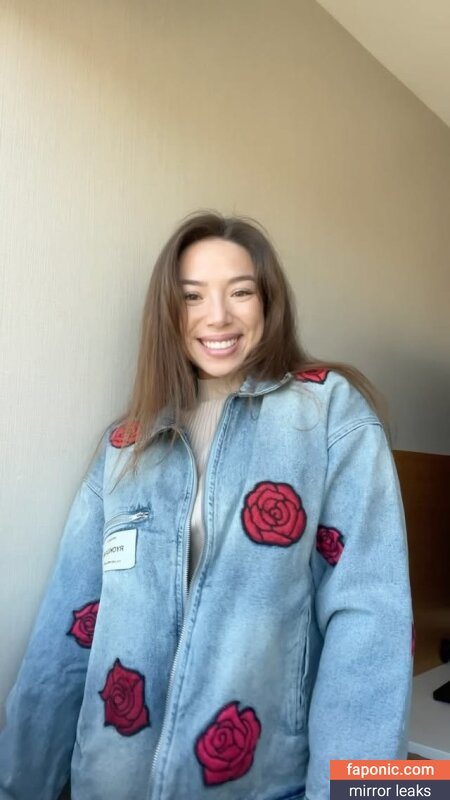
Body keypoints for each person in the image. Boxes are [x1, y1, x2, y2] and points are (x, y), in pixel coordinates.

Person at [0, 212, 412, 800]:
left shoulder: (327, 415)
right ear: (168, 312)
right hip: (112, 783)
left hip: (263, 784)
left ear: (268, 302)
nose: (217, 316)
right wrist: (18, 785)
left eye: (240, 292)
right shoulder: (126, 446)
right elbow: (67, 630)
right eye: (192, 296)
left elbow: (370, 625)